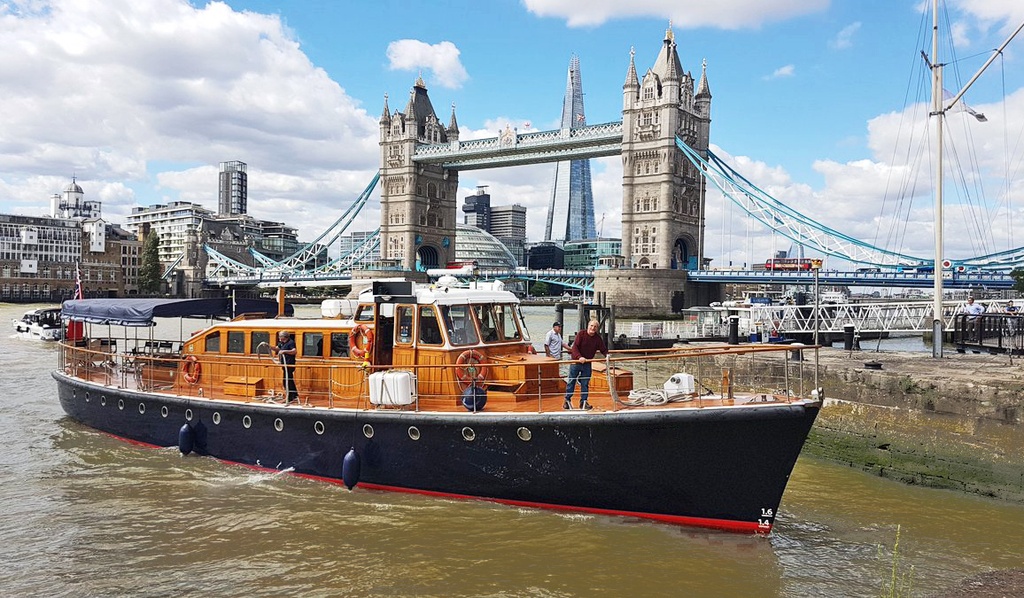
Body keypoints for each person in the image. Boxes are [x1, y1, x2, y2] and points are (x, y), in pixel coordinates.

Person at [563, 319, 608, 411]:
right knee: (571, 381)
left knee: (585, 383)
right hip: (576, 362)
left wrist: (607, 355)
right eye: (591, 326)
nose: (593, 328)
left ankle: (583, 401)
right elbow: (575, 347)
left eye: (595, 327)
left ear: (597, 329)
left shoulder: (597, 338)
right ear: (588, 326)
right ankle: (567, 400)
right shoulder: (581, 334)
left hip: (587, 363)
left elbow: (603, 349)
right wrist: (579, 357)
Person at [271, 331, 299, 403]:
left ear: (285, 337)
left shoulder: (291, 342)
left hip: (289, 364)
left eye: (280, 337)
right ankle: (294, 395)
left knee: (286, 380)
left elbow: (294, 351)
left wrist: (284, 351)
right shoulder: (282, 343)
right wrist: (269, 347)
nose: (279, 338)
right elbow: (277, 348)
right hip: (284, 364)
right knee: (289, 380)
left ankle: (290, 396)